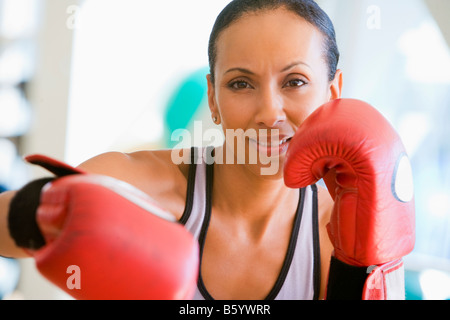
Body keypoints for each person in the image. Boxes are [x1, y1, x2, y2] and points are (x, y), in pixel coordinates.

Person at [0, 0, 413, 300]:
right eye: (240, 83)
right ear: (213, 99)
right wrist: (46, 213)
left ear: (333, 91)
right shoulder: (144, 188)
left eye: (294, 81)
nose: (270, 113)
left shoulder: (340, 233)